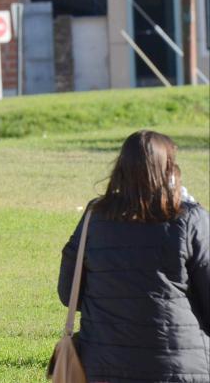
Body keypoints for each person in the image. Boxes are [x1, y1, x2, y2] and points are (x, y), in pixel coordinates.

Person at [58, 130, 209, 382]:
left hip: (103, 364)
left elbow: (67, 292)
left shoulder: (94, 217)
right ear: (170, 170)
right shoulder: (190, 219)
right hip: (179, 367)